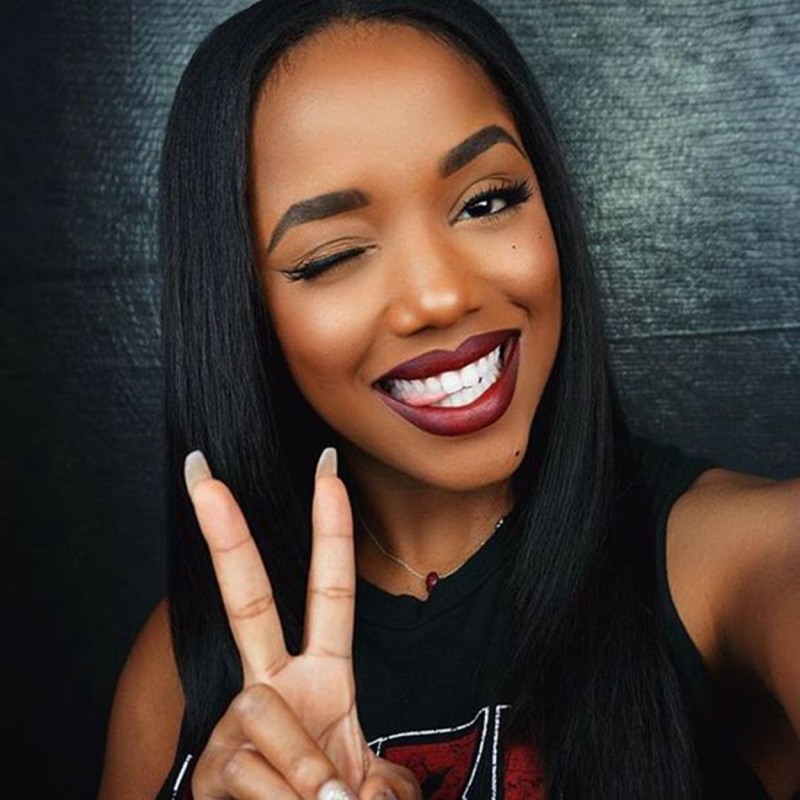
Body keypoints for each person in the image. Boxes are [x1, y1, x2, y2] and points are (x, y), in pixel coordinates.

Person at [96, 1, 800, 798]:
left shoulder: (743, 559)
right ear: (242, 307)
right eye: (332, 256)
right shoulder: (179, 673)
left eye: (487, 200)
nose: (439, 296)